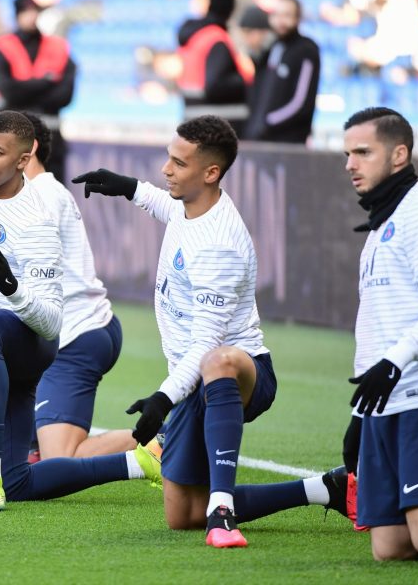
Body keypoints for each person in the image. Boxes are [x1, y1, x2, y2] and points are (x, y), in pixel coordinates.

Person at [73, 115, 348, 548]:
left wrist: (163, 398)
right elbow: (169, 209)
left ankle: (223, 511)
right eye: (168, 159)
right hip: (192, 380)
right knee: (181, 515)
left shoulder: (220, 245)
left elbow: (206, 343)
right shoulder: (194, 207)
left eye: (178, 164)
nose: (166, 170)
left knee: (215, 358)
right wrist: (128, 186)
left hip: (240, 373)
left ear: (211, 173)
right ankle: (323, 489)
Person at [0, 70, 162, 513]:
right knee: (19, 481)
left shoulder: (37, 215)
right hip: (8, 343)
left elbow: (50, 321)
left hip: (39, 337)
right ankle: (136, 464)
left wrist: (13, 291)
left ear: (23, 161)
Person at [341, 107, 418, 561]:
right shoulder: (383, 221)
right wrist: (359, 415)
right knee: (390, 548)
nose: (350, 164)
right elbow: (378, 323)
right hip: (383, 404)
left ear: (399, 154)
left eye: (363, 152)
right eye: (348, 153)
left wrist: (394, 362)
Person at [21, 111, 138, 459]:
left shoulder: (38, 197)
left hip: (74, 337)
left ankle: (167, 437)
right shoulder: (41, 192)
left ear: (29, 150)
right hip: (80, 328)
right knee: (30, 458)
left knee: (60, 461)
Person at [0, 0, 75, 184]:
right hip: (13, 138)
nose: (31, 16)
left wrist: (24, 91)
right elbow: (7, 90)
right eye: (26, 12)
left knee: (54, 202)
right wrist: (45, 83)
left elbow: (65, 95)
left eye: (34, 12)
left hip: (50, 139)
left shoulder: (58, 46)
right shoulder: (3, 46)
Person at [243, 0, 320, 144]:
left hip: (288, 140)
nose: (281, 21)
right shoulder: (274, 48)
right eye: (277, 15)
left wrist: (268, 121)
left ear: (297, 18)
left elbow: (300, 102)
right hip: (263, 138)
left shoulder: (306, 50)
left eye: (287, 15)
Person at [176, 0, 254, 133]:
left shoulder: (195, 35)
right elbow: (215, 85)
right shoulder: (216, 38)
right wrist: (245, 81)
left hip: (193, 116)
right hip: (216, 126)